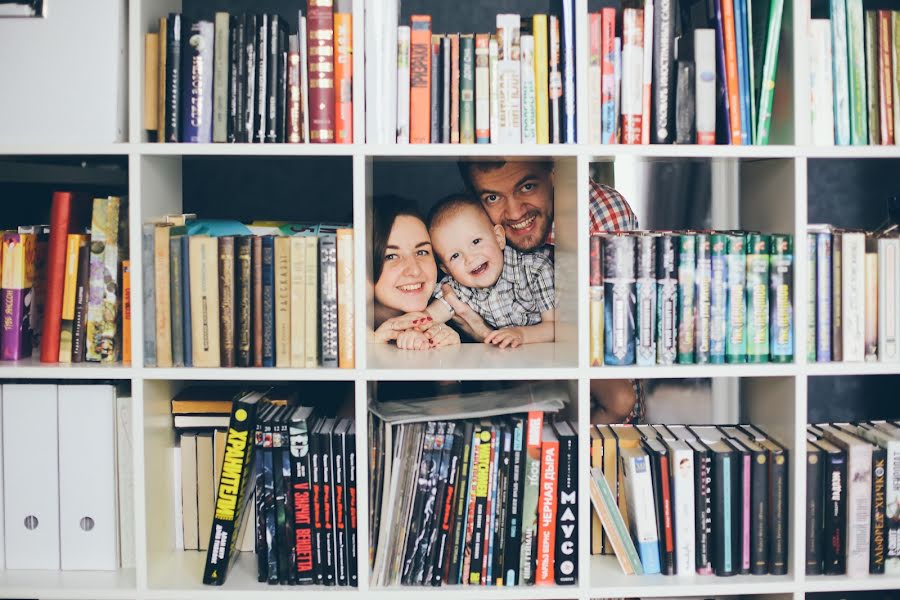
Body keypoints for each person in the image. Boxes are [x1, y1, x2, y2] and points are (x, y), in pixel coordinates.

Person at [447, 160, 645, 423]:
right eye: (493, 197)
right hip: (517, 396)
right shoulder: (473, 231)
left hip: (601, 406)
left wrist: (489, 332)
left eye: (527, 187)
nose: (515, 212)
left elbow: (612, 340)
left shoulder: (597, 217)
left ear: (555, 174)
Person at [422, 194, 555, 348]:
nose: (470, 258)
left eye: (476, 242)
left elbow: (556, 327)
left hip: (544, 359)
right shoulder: (458, 286)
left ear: (498, 237)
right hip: (498, 361)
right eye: (455, 255)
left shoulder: (534, 269)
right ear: (447, 270)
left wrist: (522, 334)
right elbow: (429, 317)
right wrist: (410, 328)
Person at [370, 195, 460, 350]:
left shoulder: (456, 311)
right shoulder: (340, 333)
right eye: (391, 256)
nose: (414, 270)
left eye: (422, 252)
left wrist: (448, 360)